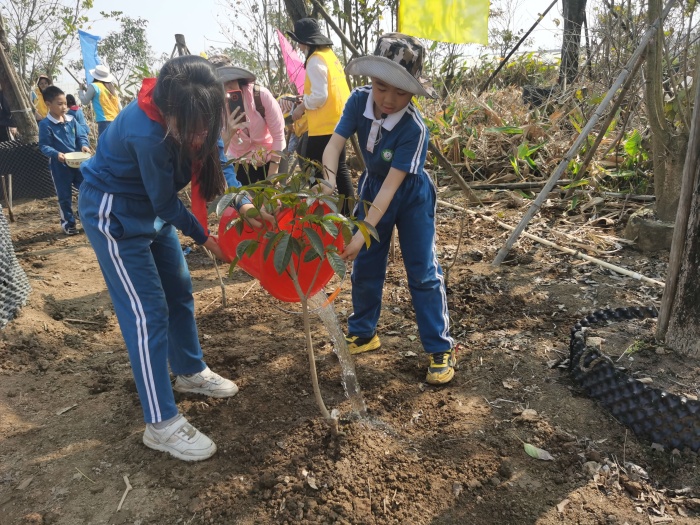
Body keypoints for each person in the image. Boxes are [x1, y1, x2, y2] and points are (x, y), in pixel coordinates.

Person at [78, 55, 264, 462]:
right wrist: (206, 239)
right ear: (166, 109)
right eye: (190, 127)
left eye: (204, 124)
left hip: (152, 209)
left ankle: (189, 371)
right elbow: (165, 201)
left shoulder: (200, 111)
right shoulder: (147, 133)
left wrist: (243, 202)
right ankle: (160, 423)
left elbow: (218, 160)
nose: (199, 134)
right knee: (147, 314)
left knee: (179, 290)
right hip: (115, 212)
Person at [322, 34, 456, 385]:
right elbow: (333, 147)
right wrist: (326, 186)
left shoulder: (414, 129)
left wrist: (361, 232)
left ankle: (439, 347)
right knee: (366, 264)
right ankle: (363, 332)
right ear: (371, 80)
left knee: (422, 271)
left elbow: (392, 188)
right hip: (372, 188)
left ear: (413, 92)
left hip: (409, 195)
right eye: (382, 88)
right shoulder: (358, 101)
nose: (388, 99)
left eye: (401, 92)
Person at [287, 18, 353, 213]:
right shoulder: (329, 55)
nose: (299, 47)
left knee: (314, 170)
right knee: (339, 169)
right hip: (339, 122)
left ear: (305, 42)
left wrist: (301, 108)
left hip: (323, 127)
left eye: (299, 42)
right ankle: (349, 216)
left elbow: (320, 96)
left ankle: (320, 217)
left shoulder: (315, 60)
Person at [216, 63, 286, 185]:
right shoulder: (216, 109)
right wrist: (229, 133)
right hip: (242, 163)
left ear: (239, 80)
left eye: (231, 81)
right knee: (245, 196)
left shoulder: (261, 96)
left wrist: (272, 176)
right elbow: (219, 152)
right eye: (221, 84)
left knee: (277, 196)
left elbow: (278, 136)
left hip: (273, 157)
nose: (227, 88)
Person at [38, 86, 91, 235]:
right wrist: (56, 154)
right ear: (48, 104)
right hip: (59, 166)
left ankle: (85, 218)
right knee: (64, 196)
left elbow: (81, 136)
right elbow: (44, 146)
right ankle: (68, 223)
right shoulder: (45, 125)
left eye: (65, 103)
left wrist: (84, 145)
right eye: (59, 104)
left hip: (78, 163)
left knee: (86, 190)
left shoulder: (71, 120)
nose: (64, 107)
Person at [79, 64, 121, 137]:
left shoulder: (94, 86)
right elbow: (119, 106)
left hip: (104, 121)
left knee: (104, 142)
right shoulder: (112, 88)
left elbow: (85, 101)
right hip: (116, 120)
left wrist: (80, 91)